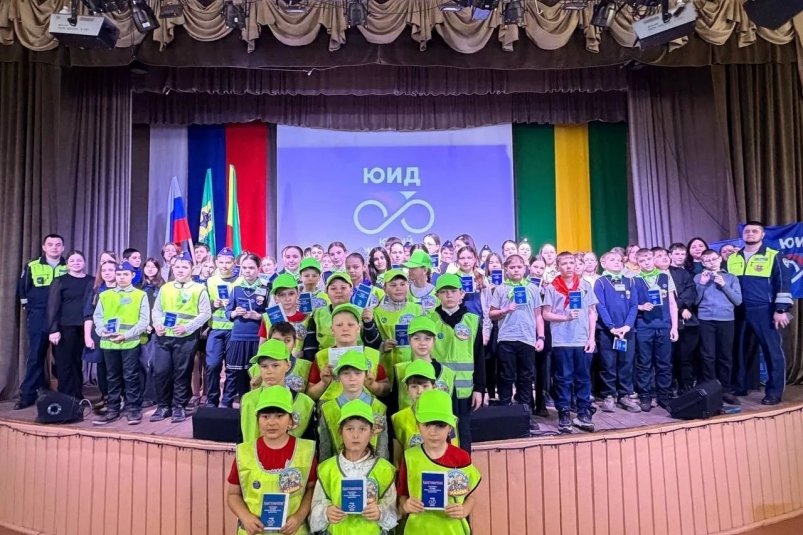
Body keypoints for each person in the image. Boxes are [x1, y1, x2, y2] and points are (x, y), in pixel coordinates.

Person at [226, 385, 316, 535]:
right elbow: (233, 494)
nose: (271, 422)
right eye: (265, 417)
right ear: (257, 420)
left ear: (291, 421)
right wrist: (246, 517)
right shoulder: (244, 453)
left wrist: (299, 517)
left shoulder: (306, 451)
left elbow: (311, 489)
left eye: (279, 416)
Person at [397, 389, 481, 535]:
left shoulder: (461, 458)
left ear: (450, 427)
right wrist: (405, 505)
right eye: (427, 425)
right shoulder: (409, 457)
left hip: (452, 530)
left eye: (440, 425)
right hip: (417, 530)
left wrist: (464, 509)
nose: (432, 432)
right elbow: (402, 495)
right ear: (418, 425)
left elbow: (471, 495)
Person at [728, 221, 793, 404]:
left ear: (762, 235)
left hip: (764, 310)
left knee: (772, 352)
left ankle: (774, 392)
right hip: (739, 311)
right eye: (747, 231)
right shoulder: (733, 258)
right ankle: (741, 386)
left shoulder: (774, 255)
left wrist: (781, 309)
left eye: (755, 231)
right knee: (740, 350)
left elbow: (783, 283)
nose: (750, 233)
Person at [310, 399, 398, 534]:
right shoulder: (327, 468)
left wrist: (380, 512)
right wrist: (326, 512)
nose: (355, 435)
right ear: (340, 432)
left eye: (362, 429)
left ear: (371, 433)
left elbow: (394, 512)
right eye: (349, 429)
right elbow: (314, 512)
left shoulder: (384, 469)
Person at [150, 252, 211, 423]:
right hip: (164, 336)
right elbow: (157, 310)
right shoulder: (165, 288)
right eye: (177, 267)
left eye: (184, 267)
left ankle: (179, 406)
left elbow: (205, 313)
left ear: (192, 269)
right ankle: (163, 406)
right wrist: (157, 324)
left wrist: (187, 327)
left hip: (186, 337)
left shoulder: (199, 289)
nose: (180, 270)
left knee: (181, 373)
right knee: (161, 371)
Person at [542, 252, 599, 433]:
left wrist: (591, 338)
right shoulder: (552, 287)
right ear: (558, 267)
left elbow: (592, 312)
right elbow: (546, 314)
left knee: (583, 378)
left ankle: (583, 414)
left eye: (571, 263)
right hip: (562, 340)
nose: (568, 266)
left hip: (582, 339)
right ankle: (564, 414)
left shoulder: (584, 285)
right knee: (563, 379)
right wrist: (565, 317)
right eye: (564, 263)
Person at [428, 273, 485, 451]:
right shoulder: (429, 320)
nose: (449, 295)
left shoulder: (472, 320)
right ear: (437, 295)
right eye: (444, 292)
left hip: (464, 391)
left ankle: (463, 467)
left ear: (461, 293)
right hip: (438, 389)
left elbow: (479, 357)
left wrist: (479, 388)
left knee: (463, 435)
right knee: (439, 435)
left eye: (453, 291)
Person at [92, 261, 150, 425]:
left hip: (129, 342)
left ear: (133, 275)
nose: (122, 277)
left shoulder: (140, 295)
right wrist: (101, 331)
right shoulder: (105, 295)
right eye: (119, 274)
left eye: (125, 274)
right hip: (109, 343)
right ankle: (113, 409)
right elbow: (98, 317)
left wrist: (126, 335)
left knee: (131, 376)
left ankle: (133, 409)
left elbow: (144, 321)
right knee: (112, 377)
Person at [489, 254, 545, 419]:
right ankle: (505, 412)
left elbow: (538, 315)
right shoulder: (501, 289)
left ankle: (525, 414)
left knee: (526, 377)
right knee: (506, 376)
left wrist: (541, 337)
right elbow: (492, 314)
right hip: (506, 338)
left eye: (519, 267)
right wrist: (505, 309)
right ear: (506, 269)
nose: (516, 270)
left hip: (527, 339)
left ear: (525, 269)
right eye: (512, 267)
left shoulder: (532, 288)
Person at [15, 234, 67, 409]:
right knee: (35, 355)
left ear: (63, 248)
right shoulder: (32, 265)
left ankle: (67, 394)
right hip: (38, 316)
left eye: (58, 245)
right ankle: (27, 395)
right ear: (44, 247)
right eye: (50, 244)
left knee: (63, 357)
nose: (54, 247)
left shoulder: (68, 266)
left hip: (62, 317)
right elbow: (23, 288)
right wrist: (28, 308)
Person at [307, 304, 390, 403]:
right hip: (331, 410)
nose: (345, 329)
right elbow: (310, 395)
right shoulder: (322, 357)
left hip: (365, 409)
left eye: (350, 325)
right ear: (332, 330)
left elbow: (386, 390)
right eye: (339, 325)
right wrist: (323, 383)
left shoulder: (371, 355)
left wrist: (372, 385)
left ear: (358, 328)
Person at [317, 351, 389, 461]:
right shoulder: (328, 408)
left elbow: (382, 448)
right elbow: (325, 448)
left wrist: (381, 469)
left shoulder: (378, 407)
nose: (352, 378)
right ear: (338, 377)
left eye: (358, 373)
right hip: (338, 468)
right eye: (346, 373)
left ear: (366, 375)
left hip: (373, 468)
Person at [632, 248, 679, 412]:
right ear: (638, 263)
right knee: (644, 363)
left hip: (664, 325)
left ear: (653, 260)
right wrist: (641, 307)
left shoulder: (665, 276)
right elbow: (631, 304)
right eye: (642, 261)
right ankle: (645, 395)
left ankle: (664, 395)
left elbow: (672, 303)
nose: (646, 263)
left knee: (664, 363)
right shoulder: (634, 280)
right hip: (644, 326)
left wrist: (674, 327)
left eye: (648, 259)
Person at [241, 339, 315, 441]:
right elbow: (241, 441)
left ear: (288, 365)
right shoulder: (248, 400)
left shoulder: (305, 403)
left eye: (275, 365)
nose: (269, 371)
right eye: (264, 366)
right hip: (254, 451)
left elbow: (309, 444)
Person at [593, 251, 640, 413]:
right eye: (612, 260)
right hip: (608, 331)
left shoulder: (629, 281)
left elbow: (634, 305)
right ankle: (609, 395)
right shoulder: (601, 282)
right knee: (608, 364)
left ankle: (625, 395)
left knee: (626, 363)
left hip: (626, 331)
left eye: (619, 260)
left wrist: (627, 326)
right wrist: (611, 327)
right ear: (603, 263)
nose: (617, 262)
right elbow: (600, 305)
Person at [695, 249, 742, 405]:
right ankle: (711, 390)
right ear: (702, 263)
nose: (711, 263)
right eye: (707, 260)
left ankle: (725, 389)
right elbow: (695, 301)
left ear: (720, 259)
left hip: (726, 319)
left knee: (725, 355)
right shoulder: (698, 277)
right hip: (705, 319)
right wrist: (702, 284)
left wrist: (723, 285)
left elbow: (738, 301)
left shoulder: (731, 277)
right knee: (708, 356)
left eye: (714, 259)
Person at [223, 253, 269, 407]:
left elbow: (272, 313)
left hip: (257, 337)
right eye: (244, 268)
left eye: (251, 268)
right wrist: (235, 313)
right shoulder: (236, 289)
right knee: (238, 374)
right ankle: (243, 405)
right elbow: (228, 312)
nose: (247, 271)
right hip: (238, 337)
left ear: (258, 269)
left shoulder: (265, 288)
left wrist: (258, 316)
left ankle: (257, 405)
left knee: (256, 373)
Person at [392, 359, 458, 466]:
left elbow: (454, 453)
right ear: (407, 389)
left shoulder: (445, 416)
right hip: (411, 472)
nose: (419, 391)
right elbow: (397, 459)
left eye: (425, 386)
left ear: (434, 387)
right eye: (414, 386)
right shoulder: (398, 418)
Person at [46, 250, 94, 400]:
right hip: (65, 327)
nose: (76, 263)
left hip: (85, 327)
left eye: (79, 260)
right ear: (67, 264)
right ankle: (66, 398)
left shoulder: (91, 280)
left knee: (77, 362)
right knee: (64, 363)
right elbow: (52, 306)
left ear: (84, 262)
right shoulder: (60, 280)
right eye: (72, 261)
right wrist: (53, 329)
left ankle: (78, 396)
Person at [302, 273, 382, 360]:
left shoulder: (363, 312)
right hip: (325, 363)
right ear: (326, 292)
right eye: (333, 288)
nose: (338, 291)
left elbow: (374, 344)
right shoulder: (317, 314)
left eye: (343, 288)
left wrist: (368, 323)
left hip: (357, 362)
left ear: (351, 290)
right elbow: (310, 346)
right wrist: (317, 364)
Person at [373, 269, 423, 388]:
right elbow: (372, 343)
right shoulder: (377, 313)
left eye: (402, 284)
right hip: (387, 370)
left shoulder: (418, 310)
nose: (398, 288)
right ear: (385, 289)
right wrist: (382, 346)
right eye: (393, 285)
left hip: (413, 368)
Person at [394, 316, 456, 411]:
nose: (422, 343)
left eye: (427, 338)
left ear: (434, 341)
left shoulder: (448, 374)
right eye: (417, 338)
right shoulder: (399, 370)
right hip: (407, 420)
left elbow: (453, 411)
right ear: (409, 340)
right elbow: (392, 406)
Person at [204, 247, 240, 408]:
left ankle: (227, 401)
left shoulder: (240, 281)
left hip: (234, 329)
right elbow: (204, 306)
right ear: (216, 263)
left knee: (232, 368)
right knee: (212, 365)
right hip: (216, 328)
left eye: (228, 262)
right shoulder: (211, 281)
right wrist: (214, 304)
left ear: (234, 263)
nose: (224, 266)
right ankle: (212, 400)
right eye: (221, 262)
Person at [662, 245, 699, 394]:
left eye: (683, 254)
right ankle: (671, 386)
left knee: (686, 356)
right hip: (668, 319)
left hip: (687, 321)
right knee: (669, 357)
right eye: (676, 254)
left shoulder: (685, 273)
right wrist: (680, 308)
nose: (680, 257)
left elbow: (691, 291)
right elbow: (666, 297)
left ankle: (686, 386)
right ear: (670, 255)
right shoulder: (662, 273)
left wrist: (684, 307)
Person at [84, 257, 118, 411]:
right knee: (102, 366)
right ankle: (105, 396)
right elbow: (88, 315)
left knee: (116, 367)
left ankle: (118, 398)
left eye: (111, 270)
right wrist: (87, 336)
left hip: (118, 334)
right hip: (100, 333)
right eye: (104, 270)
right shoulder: (96, 291)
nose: (107, 273)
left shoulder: (123, 290)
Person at [259, 273, 307, 352]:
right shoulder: (268, 318)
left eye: (291, 294)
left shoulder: (306, 318)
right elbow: (261, 347)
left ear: (298, 294)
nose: (287, 299)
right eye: (281, 295)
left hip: (299, 360)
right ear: (275, 298)